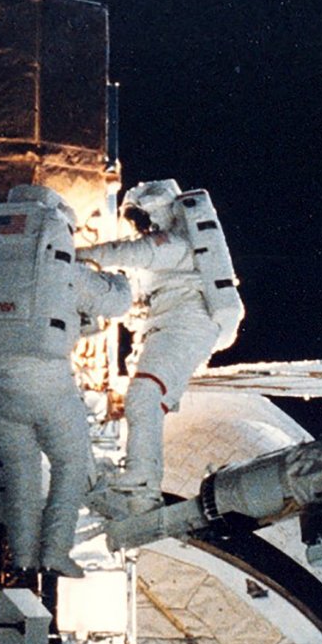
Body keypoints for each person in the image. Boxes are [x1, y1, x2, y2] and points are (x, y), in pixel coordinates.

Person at [0, 184, 130, 577]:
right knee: (69, 466)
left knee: (22, 475)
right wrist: (118, 276)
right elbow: (117, 302)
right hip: (49, 389)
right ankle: (53, 552)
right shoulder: (59, 266)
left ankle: (22, 557)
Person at [77, 180, 244, 510]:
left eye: (142, 217)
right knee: (144, 398)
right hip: (170, 325)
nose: (139, 225)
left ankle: (141, 479)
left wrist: (74, 255)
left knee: (145, 395)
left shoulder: (174, 243)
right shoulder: (163, 252)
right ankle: (140, 482)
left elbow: (127, 252)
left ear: (159, 211)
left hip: (186, 323)